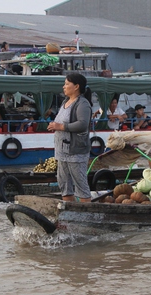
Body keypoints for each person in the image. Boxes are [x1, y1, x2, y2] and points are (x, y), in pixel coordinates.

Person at [47, 73, 92, 203]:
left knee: (80, 184)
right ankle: (69, 211)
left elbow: (83, 124)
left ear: (76, 86)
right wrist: (54, 126)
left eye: (67, 84)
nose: (64, 87)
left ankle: (86, 214)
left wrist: (61, 126)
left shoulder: (82, 104)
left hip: (75, 151)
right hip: (62, 151)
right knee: (64, 184)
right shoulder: (65, 102)